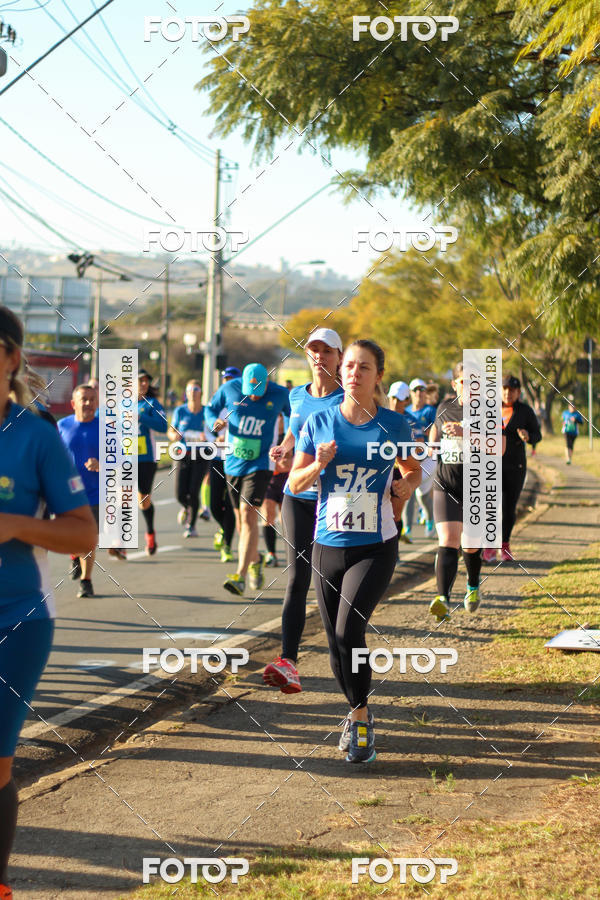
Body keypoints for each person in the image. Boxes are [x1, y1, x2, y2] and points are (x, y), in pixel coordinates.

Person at [0, 306, 96, 900]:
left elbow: (83, 533)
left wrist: (14, 524)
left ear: (11, 358)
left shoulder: (35, 435)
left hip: (17, 619)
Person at [288, 340, 421, 763]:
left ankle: (361, 720)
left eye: (364, 367)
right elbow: (294, 483)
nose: (354, 373)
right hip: (327, 544)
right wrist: (318, 464)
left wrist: (405, 486)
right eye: (348, 366)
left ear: (378, 375)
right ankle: (355, 711)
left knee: (350, 632)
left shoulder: (394, 425)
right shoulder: (319, 421)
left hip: (375, 546)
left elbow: (413, 471)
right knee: (335, 643)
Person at [262, 328, 344, 694]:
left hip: (335, 499)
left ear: (339, 358)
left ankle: (342, 659)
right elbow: (296, 434)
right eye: (314, 350)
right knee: (297, 577)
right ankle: (289, 662)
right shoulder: (297, 395)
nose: (319, 357)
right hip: (297, 495)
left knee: (329, 583)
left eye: (327, 351)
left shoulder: (348, 400)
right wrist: (283, 448)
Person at [204, 363, 290, 596]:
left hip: (261, 462)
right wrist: (214, 423)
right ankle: (255, 560)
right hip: (233, 461)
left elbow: (294, 417)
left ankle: (239, 576)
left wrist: (286, 445)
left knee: (248, 513)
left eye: (258, 392)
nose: (253, 396)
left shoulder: (280, 394)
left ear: (267, 383)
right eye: (249, 392)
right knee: (242, 523)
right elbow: (210, 409)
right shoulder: (229, 388)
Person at [428, 362, 503, 621]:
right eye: (464, 382)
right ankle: (443, 599)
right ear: (455, 384)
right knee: (448, 540)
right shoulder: (444, 408)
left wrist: (466, 432)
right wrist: (429, 447)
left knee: (470, 545)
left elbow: (500, 446)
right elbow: (435, 434)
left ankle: (472, 584)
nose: (470, 387)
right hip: (446, 482)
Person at [483, 374, 541, 563]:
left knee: (509, 507)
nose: (508, 393)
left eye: (512, 390)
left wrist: (528, 436)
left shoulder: (525, 411)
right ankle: (489, 546)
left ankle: (505, 545)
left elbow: (537, 434)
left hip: (515, 466)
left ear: (518, 392)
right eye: (505, 389)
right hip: (491, 465)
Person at [58, 384, 101, 596]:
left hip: (95, 494)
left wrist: (102, 464)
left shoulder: (106, 429)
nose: (88, 403)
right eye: (84, 399)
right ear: (73, 403)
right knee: (68, 538)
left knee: (89, 539)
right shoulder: (61, 426)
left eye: (92, 399)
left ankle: (86, 580)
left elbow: (122, 459)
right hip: (67, 493)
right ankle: (74, 555)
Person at [388, 381, 435, 539]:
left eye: (400, 399)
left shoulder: (412, 421)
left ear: (406, 400)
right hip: (384, 469)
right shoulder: (380, 416)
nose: (395, 403)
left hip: (405, 468)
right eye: (393, 398)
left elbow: (420, 447)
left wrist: (402, 452)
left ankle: (401, 536)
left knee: (398, 510)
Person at [168, 379, 207, 538]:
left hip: (201, 455)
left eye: (195, 389)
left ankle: (191, 526)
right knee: (180, 493)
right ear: (186, 393)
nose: (192, 393)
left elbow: (214, 431)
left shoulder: (206, 412)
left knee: (193, 491)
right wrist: (174, 436)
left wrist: (207, 436)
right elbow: (171, 431)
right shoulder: (180, 411)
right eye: (189, 389)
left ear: (201, 393)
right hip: (182, 455)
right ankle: (187, 507)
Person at [209, 366, 240, 563]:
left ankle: (227, 545)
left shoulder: (242, 404)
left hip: (235, 460)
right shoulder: (216, 404)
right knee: (214, 505)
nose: (228, 383)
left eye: (232, 380)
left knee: (230, 505)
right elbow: (207, 430)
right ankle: (223, 529)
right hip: (217, 458)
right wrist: (215, 438)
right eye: (225, 379)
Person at [401, 377, 437, 541]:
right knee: (409, 490)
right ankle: (407, 529)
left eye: (422, 390)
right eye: (415, 390)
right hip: (410, 457)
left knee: (422, 495)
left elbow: (437, 431)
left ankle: (429, 519)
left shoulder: (430, 411)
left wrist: (425, 432)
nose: (418, 393)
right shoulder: (405, 411)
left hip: (428, 458)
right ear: (410, 393)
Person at [137, 368, 168, 556]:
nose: (143, 384)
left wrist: (141, 417)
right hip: (124, 458)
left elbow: (163, 426)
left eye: (146, 381)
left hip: (146, 458)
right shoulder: (120, 404)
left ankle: (150, 532)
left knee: (143, 501)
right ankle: (119, 542)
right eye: (140, 380)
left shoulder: (152, 403)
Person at [561, 400, 584, 465]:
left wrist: (575, 420)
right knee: (567, 444)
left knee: (571, 445)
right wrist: (563, 423)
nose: (572, 408)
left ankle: (569, 459)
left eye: (573, 407)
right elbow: (562, 420)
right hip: (566, 431)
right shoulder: (565, 413)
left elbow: (581, 422)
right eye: (571, 407)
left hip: (574, 432)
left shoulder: (577, 414)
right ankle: (567, 458)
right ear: (569, 407)